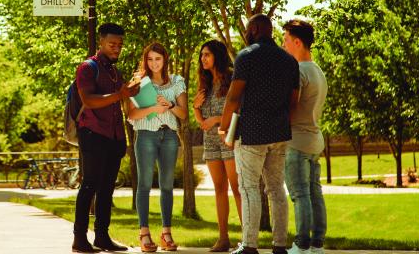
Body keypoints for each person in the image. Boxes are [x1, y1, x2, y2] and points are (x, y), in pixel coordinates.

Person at [218, 14, 300, 254]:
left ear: (253, 29)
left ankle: (250, 246)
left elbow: (233, 96)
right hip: (280, 133)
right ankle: (280, 245)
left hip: (252, 134)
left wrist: (224, 127)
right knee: (276, 189)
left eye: (247, 28)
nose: (245, 32)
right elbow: (293, 101)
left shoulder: (247, 56)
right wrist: (284, 126)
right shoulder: (289, 60)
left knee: (249, 188)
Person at [72, 22, 140, 253]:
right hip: (92, 133)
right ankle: (79, 239)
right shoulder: (87, 68)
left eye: (120, 45)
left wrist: (132, 89)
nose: (117, 49)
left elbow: (122, 95)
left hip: (114, 136)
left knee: (107, 188)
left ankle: (102, 237)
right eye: (112, 44)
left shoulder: (113, 70)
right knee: (89, 184)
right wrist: (119, 94)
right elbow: (89, 100)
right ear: (101, 41)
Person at [127, 42, 188, 252]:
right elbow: (131, 115)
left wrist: (170, 105)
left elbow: (184, 114)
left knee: (167, 186)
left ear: (165, 60)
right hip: (145, 136)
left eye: (158, 59)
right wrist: (153, 107)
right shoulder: (138, 83)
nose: (154, 63)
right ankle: (144, 234)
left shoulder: (177, 81)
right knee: (144, 184)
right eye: (150, 59)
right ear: (146, 60)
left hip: (169, 136)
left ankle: (166, 233)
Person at [282, 19, 328, 254]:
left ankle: (301, 245)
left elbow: (291, 105)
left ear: (297, 42)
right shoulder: (317, 70)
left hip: (297, 140)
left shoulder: (298, 71)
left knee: (300, 195)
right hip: (314, 139)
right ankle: (317, 244)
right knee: (314, 193)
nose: (283, 45)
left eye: (286, 40)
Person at [193, 40, 242, 252]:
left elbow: (238, 109)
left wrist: (215, 120)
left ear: (217, 56)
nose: (203, 59)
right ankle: (223, 239)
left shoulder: (231, 79)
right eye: (202, 55)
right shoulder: (204, 83)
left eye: (207, 55)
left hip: (229, 139)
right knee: (219, 188)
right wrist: (196, 107)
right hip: (211, 141)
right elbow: (202, 122)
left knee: (237, 189)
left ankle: (247, 239)